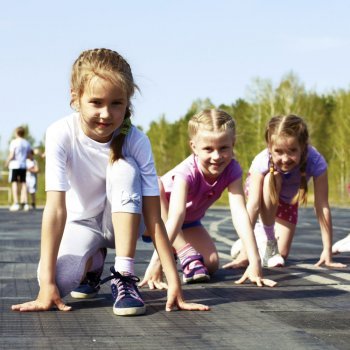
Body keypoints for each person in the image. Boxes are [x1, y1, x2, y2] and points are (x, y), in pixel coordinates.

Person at [11, 48, 208, 316]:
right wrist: (46, 285)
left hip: (125, 225)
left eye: (116, 103)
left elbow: (154, 218)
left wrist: (174, 282)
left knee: (123, 169)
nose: (106, 114)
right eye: (96, 102)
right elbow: (55, 210)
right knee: (57, 282)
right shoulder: (60, 133)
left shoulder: (136, 141)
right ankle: (93, 263)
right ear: (75, 98)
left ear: (128, 101)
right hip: (82, 224)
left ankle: (124, 276)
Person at [140, 109, 276, 290]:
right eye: (208, 149)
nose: (216, 156)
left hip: (188, 223)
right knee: (155, 185)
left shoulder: (232, 169)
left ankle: (179, 252)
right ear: (194, 147)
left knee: (210, 264)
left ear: (233, 143)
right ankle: (180, 251)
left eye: (223, 148)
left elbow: (240, 214)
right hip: (153, 220)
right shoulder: (186, 172)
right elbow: (176, 215)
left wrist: (255, 260)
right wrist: (158, 262)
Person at [230, 114, 346, 269]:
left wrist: (327, 251)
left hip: (287, 200)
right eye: (278, 152)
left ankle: (259, 236)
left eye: (292, 151)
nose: (285, 159)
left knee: (282, 254)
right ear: (269, 147)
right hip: (262, 192)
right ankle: (267, 240)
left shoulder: (316, 161)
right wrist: (245, 253)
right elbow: (253, 207)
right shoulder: (262, 161)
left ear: (303, 147)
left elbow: (322, 206)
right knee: (273, 178)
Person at [5, 126, 31, 211]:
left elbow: (12, 155)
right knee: (23, 184)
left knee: (15, 183)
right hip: (23, 165)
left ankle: (16, 203)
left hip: (15, 165)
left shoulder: (14, 142)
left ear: (16, 133)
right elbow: (29, 155)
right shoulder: (26, 143)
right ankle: (25, 203)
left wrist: (7, 162)